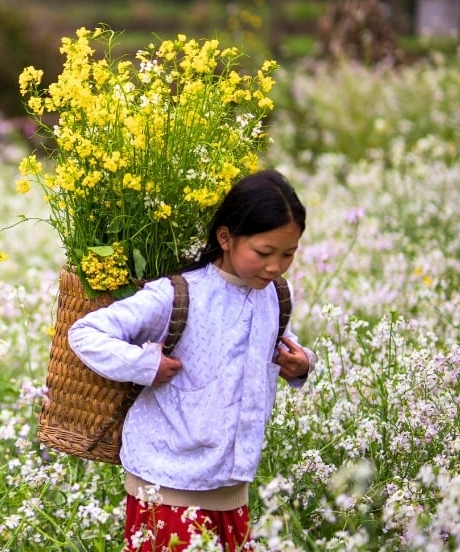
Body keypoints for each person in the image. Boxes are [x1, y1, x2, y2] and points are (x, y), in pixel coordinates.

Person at [67, 169, 316, 551]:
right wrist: (145, 366)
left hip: (231, 484)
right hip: (165, 483)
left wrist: (301, 364)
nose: (275, 266)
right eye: (264, 253)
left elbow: (270, 340)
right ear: (225, 238)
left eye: (288, 254)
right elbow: (85, 333)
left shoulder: (277, 295)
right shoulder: (179, 294)